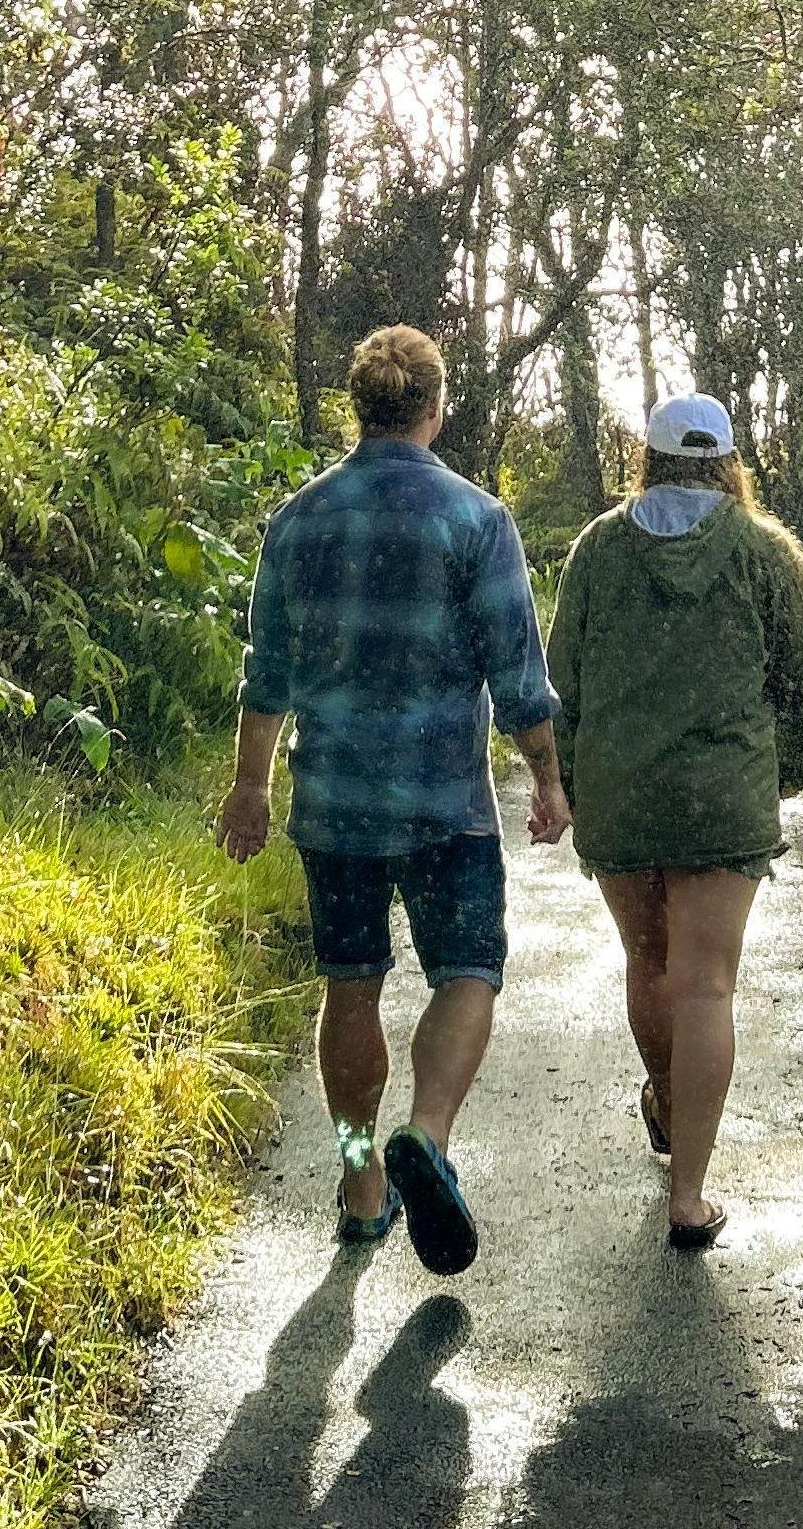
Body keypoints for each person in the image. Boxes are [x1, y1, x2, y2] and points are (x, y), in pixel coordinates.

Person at [217, 324, 569, 1274]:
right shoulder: (475, 520)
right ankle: (430, 1135)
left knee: (351, 984)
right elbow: (515, 667)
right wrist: (544, 774)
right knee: (467, 971)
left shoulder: (297, 521)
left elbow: (269, 673)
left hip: (333, 806)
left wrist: (250, 788)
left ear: (358, 407)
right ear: (434, 409)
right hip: (443, 805)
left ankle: (359, 1177)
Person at [545, 392, 803, 1250]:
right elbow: (802, 678)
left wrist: (563, 774)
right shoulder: (763, 551)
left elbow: (563, 675)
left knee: (649, 963)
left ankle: (667, 1104)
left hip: (621, 793)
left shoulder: (598, 548)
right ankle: (689, 1194)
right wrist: (791, 770)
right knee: (706, 986)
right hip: (722, 796)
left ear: (651, 457)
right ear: (729, 461)